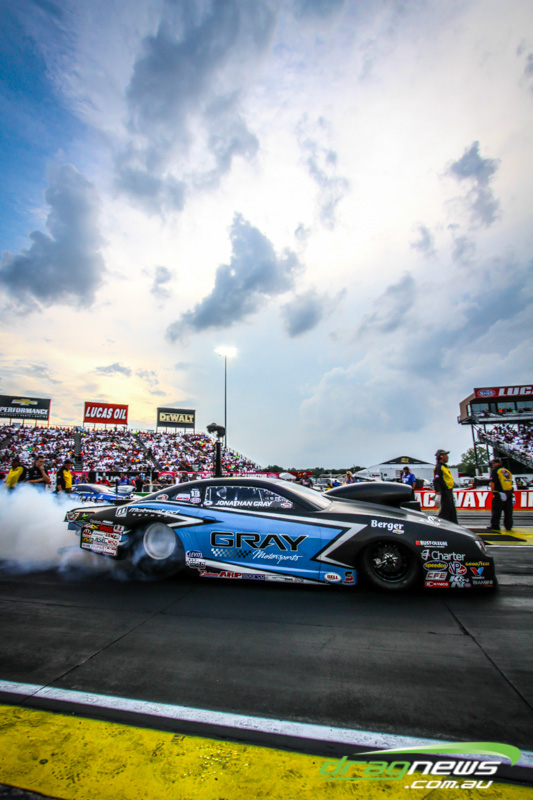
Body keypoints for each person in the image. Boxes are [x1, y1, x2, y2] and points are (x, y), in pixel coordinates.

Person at [488, 457, 514, 532]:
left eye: (494, 463)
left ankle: (495, 526)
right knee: (508, 511)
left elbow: (492, 481)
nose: (493, 465)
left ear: (498, 463)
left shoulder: (496, 471)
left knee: (496, 511)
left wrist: (492, 491)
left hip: (499, 493)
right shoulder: (507, 471)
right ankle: (508, 526)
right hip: (509, 492)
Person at [433, 449, 457, 524]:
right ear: (441, 456)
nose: (447, 457)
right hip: (444, 493)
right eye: (446, 455)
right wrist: (438, 493)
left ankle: (454, 526)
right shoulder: (439, 467)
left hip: (448, 492)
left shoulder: (444, 467)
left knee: (451, 512)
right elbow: (436, 481)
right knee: (444, 513)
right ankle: (440, 527)